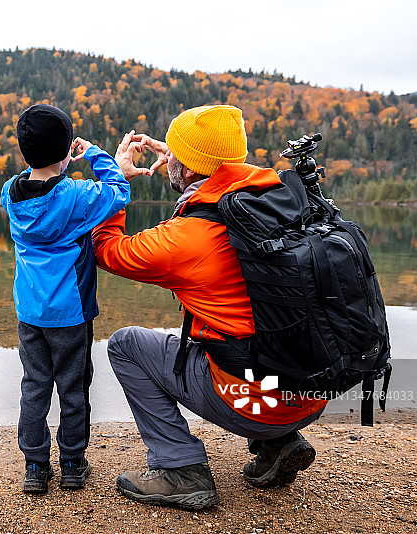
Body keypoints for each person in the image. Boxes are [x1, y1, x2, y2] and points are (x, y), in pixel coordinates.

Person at [92, 105, 329, 510]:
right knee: (245, 328)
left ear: (185, 171)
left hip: (252, 403)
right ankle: (280, 442)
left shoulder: (189, 237)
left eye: (177, 157)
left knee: (125, 345)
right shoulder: (284, 199)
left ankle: (180, 469)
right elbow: (216, 171)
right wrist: (180, 155)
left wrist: (114, 180)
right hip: (314, 391)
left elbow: (106, 249)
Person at [0, 104, 131, 494]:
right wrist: (92, 153)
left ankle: (35, 468)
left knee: (34, 385)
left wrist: (54, 162)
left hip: (30, 312)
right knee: (73, 388)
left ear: (25, 152)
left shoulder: (11, 192)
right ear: (63, 151)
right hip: (71, 314)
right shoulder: (76, 195)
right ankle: (73, 463)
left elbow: (35, 179)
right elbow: (118, 192)